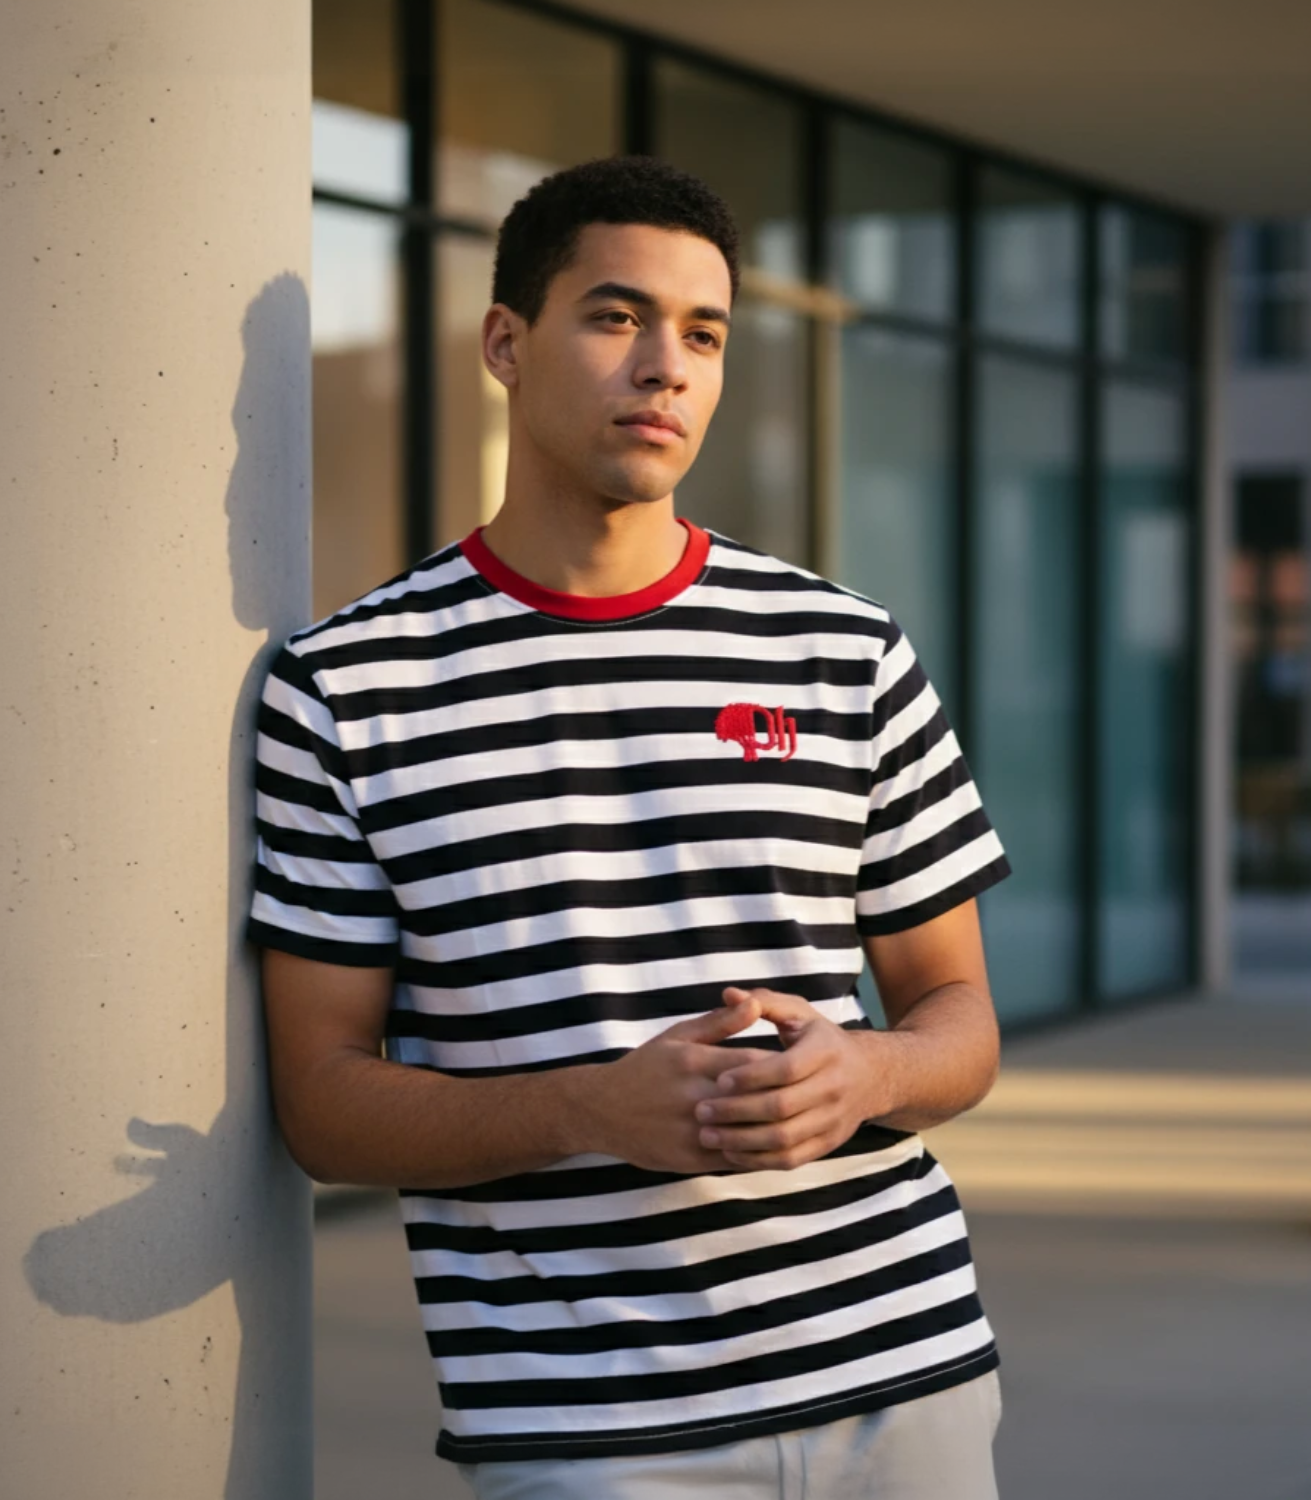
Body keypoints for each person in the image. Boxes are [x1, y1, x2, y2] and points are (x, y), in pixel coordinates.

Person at [249, 155, 1010, 1499]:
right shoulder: (345, 690)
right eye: (616, 317)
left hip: (906, 1381)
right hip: (585, 1430)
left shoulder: (845, 650)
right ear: (506, 342)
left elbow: (956, 1015)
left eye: (703, 334)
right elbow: (322, 1105)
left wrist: (868, 1075)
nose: (666, 366)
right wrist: (593, 1108)